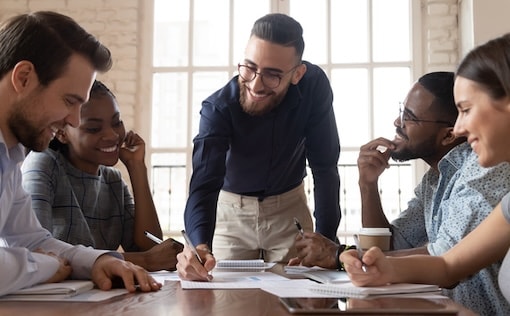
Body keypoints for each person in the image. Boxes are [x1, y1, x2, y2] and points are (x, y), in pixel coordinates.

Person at [289, 72, 510, 315]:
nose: (397, 122)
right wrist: (368, 184)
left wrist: (339, 256)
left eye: (409, 117)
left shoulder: (483, 170)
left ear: (448, 134)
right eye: (402, 110)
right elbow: (390, 246)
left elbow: (444, 256)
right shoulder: (435, 179)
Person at [341, 33, 510, 316]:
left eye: (466, 110)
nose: (459, 128)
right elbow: (448, 265)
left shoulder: (487, 172)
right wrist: (378, 265)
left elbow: (443, 257)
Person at [0, 11, 161, 296]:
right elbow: (35, 255)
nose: (74, 120)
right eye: (69, 101)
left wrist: (99, 260)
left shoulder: (11, 156)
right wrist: (45, 266)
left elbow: (30, 238)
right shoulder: (32, 161)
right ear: (23, 78)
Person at [177, 13, 341, 280]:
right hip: (231, 215)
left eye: (273, 75)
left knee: (303, 298)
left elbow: (324, 166)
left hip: (290, 210)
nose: (255, 83)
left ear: (297, 74)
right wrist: (199, 246)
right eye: (249, 67)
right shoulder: (217, 108)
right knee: (224, 301)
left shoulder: (314, 86)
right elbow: (204, 185)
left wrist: (325, 239)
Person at [21, 80, 183, 272]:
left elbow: (151, 248)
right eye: (93, 129)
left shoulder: (113, 181)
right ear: (62, 133)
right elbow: (37, 253)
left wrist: (137, 167)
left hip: (100, 296)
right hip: (55, 299)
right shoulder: (43, 165)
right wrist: (144, 261)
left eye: (117, 122)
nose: (112, 135)